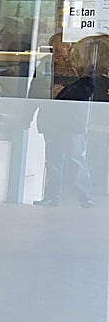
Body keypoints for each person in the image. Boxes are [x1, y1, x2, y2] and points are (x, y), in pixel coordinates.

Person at [32, 33, 109, 208]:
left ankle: (84, 196)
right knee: (53, 160)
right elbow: (36, 88)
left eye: (67, 45)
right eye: (60, 46)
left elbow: (86, 89)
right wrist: (27, 115)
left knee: (75, 158)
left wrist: (62, 92)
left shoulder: (84, 66)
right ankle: (52, 196)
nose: (64, 49)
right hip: (52, 119)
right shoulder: (46, 63)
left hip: (74, 122)